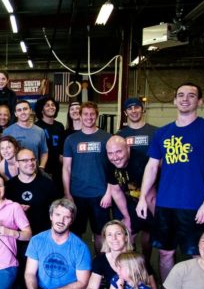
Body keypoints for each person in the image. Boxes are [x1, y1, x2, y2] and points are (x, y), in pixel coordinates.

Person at [135, 83, 204, 285]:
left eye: (191, 95)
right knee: (166, 254)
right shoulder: (162, 133)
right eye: (181, 95)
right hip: (166, 205)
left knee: (199, 256)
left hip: (195, 205)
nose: (185, 99)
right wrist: (142, 198)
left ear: (199, 101)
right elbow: (151, 167)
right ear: (175, 100)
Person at [15, 198, 90, 289]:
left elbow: (83, 283)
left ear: (71, 220)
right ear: (51, 216)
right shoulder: (37, 240)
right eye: (57, 215)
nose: (61, 221)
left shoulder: (80, 247)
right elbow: (30, 273)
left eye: (66, 217)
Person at [62, 101, 113, 251]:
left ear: (96, 115)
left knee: (101, 234)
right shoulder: (71, 139)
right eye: (86, 114)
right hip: (77, 195)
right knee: (76, 233)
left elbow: (113, 168)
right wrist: (67, 193)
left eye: (92, 114)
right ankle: (77, 268)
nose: (89, 117)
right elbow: (66, 168)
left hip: (100, 195)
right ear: (80, 116)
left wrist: (109, 193)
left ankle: (101, 268)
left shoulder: (107, 137)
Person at [116, 97, 158, 261]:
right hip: (127, 191)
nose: (134, 111)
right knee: (128, 231)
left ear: (142, 109)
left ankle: (146, 263)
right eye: (130, 108)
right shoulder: (120, 134)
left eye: (137, 107)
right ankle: (130, 266)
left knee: (148, 230)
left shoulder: (156, 132)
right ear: (125, 112)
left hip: (150, 189)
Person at [102, 137, 144, 250]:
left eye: (119, 152)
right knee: (126, 233)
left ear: (128, 149)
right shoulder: (109, 162)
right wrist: (127, 217)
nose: (115, 157)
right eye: (110, 153)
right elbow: (115, 190)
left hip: (148, 199)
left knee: (151, 232)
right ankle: (127, 262)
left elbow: (151, 195)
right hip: (128, 199)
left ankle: (144, 262)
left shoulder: (140, 162)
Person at [6, 149, 59, 235]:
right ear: (17, 164)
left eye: (32, 159)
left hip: (43, 234)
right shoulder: (9, 186)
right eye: (25, 160)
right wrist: (16, 208)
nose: (30, 163)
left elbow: (57, 210)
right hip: (17, 235)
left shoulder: (48, 184)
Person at [3, 101, 49, 168]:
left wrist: (41, 167)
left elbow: (44, 152)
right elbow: (4, 154)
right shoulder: (8, 132)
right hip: (15, 172)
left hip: (34, 171)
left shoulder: (40, 131)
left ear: (30, 110)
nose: (23, 112)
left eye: (25, 109)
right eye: (19, 110)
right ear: (15, 114)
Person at [34, 97, 66, 187]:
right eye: (47, 105)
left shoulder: (59, 126)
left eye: (53, 105)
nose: (51, 107)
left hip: (58, 168)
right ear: (41, 109)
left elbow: (61, 148)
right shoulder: (36, 127)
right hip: (43, 168)